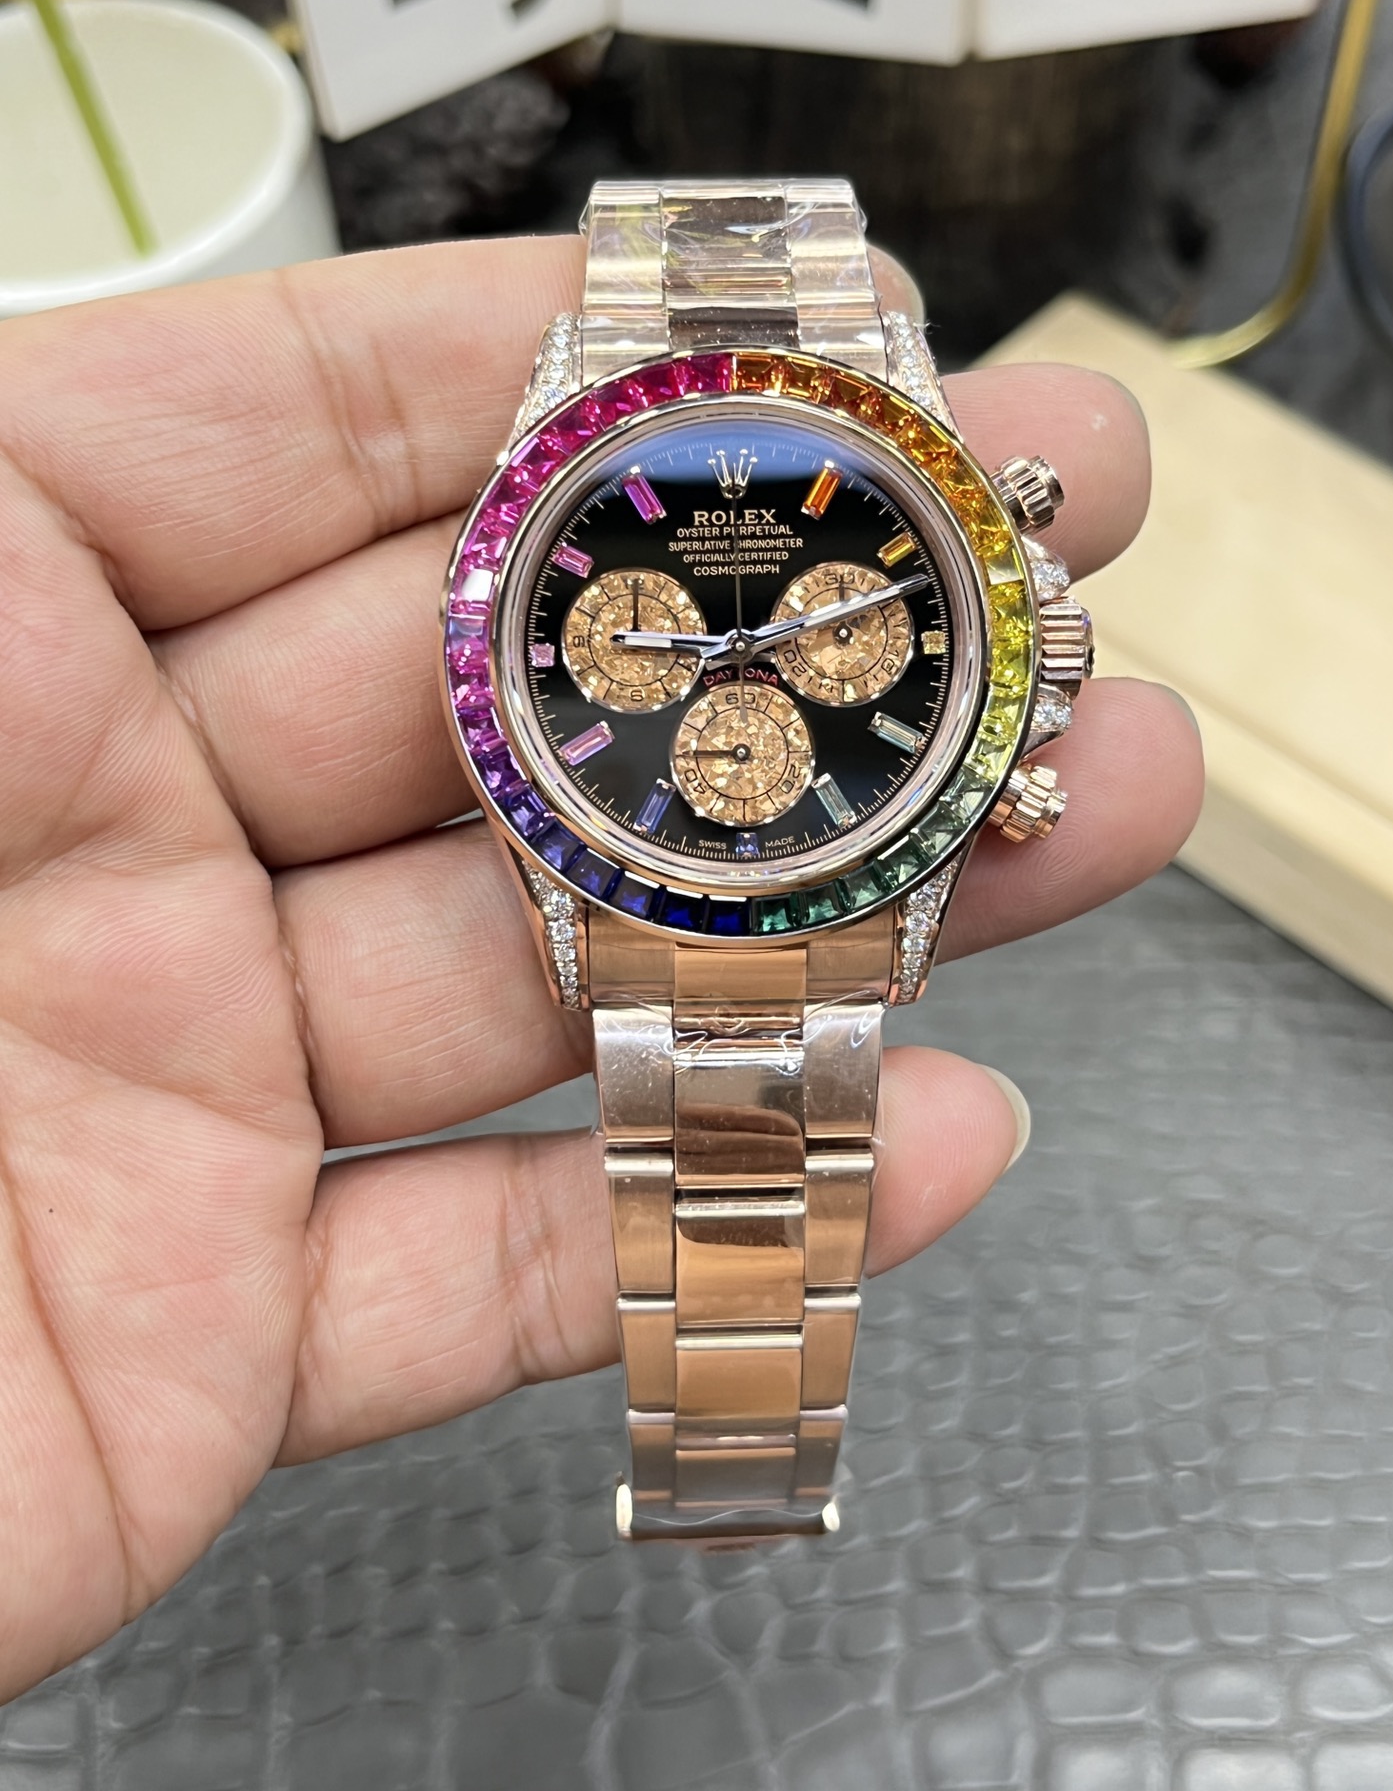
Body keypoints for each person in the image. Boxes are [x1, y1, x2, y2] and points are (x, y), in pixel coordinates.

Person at [0, 235, 1203, 1701]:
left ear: (1028, 649)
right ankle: (735, 1470)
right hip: (640, 871)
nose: (747, 648)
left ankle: (740, 1465)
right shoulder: (544, 640)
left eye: (811, 626)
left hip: (783, 870)